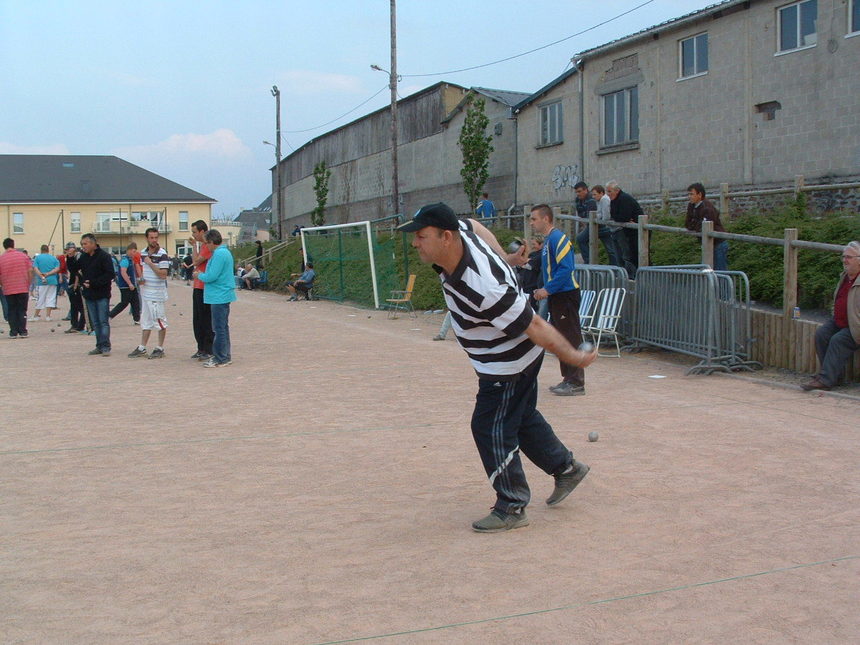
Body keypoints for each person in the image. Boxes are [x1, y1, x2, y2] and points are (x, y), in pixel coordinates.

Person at [399, 202, 596, 532]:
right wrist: (504, 256)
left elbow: (534, 325)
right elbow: (474, 224)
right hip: (509, 357)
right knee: (519, 417)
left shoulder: (482, 286)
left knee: (488, 425)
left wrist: (573, 357)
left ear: (445, 237)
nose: (415, 243)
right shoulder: (461, 234)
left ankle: (512, 505)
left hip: (508, 363)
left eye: (421, 236)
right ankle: (566, 468)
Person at [530, 204, 587, 396]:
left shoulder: (558, 238)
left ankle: (576, 382)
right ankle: (568, 379)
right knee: (562, 336)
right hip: (557, 295)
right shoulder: (547, 241)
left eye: (534, 219)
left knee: (570, 336)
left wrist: (548, 289)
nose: (532, 223)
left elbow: (566, 269)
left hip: (565, 295)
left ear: (546, 219)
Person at [802, 242, 860, 391]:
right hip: (840, 321)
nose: (844, 260)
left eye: (849, 257)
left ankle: (826, 380)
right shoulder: (845, 277)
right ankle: (833, 376)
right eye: (843, 257)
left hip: (856, 326)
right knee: (822, 334)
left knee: (837, 340)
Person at [195, 229, 236, 367]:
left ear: (212, 242)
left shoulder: (219, 254)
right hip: (221, 294)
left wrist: (199, 275)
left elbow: (211, 276)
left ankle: (221, 357)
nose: (206, 246)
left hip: (219, 295)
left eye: (207, 243)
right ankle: (225, 355)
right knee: (222, 327)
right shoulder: (224, 252)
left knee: (218, 328)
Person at [128, 227, 170, 359]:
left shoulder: (162, 254)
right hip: (145, 292)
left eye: (156, 237)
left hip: (157, 294)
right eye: (151, 237)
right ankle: (142, 347)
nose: (154, 240)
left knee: (160, 320)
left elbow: (163, 275)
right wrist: (140, 280)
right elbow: (142, 271)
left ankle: (160, 347)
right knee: (145, 321)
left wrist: (151, 263)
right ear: (147, 238)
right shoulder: (142, 253)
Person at [77, 233, 114, 356]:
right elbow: (76, 271)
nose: (83, 246)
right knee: (95, 322)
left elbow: (110, 274)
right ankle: (99, 345)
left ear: (93, 243)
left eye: (85, 244)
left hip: (102, 293)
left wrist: (94, 283)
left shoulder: (104, 256)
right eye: (82, 244)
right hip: (89, 294)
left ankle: (105, 346)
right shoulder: (83, 257)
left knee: (103, 321)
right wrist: (71, 258)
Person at [685, 182, 728, 271]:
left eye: (692, 194)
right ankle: (711, 285)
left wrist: (695, 225)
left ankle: (723, 285)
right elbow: (688, 224)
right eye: (688, 194)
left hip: (717, 243)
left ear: (699, 194)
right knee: (707, 270)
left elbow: (703, 226)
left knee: (720, 271)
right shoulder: (691, 206)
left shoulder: (707, 208)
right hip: (706, 242)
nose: (689, 197)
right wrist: (695, 225)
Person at [574, 182, 619, 266]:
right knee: (581, 239)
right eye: (576, 192)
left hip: (601, 226)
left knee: (610, 248)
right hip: (592, 224)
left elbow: (603, 215)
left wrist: (593, 220)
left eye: (579, 191)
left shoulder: (594, 199)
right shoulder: (579, 200)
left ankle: (614, 266)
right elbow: (582, 214)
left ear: (585, 190)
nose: (578, 194)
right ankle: (590, 262)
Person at [606, 180, 644, 278]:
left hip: (636, 230)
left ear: (617, 191)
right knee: (625, 255)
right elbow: (614, 215)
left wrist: (621, 218)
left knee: (632, 255)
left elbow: (623, 217)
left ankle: (635, 276)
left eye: (610, 191)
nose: (608, 194)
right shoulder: (614, 200)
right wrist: (620, 218)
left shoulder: (624, 199)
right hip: (628, 230)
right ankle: (628, 276)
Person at [189, 220, 214, 361]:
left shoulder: (207, 247)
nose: (193, 235)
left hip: (204, 287)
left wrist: (196, 248)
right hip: (197, 286)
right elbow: (195, 261)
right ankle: (201, 347)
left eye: (194, 232)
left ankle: (208, 348)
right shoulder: (202, 246)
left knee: (205, 319)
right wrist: (194, 246)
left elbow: (197, 262)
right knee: (197, 319)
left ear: (202, 232)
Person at [0, 238, 34, 338]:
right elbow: (30, 271)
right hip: (22, 287)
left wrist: (3, 285)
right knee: (22, 309)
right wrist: (29, 283)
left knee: (11, 309)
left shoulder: (1, 259)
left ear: (4, 246)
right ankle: (23, 331)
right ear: (13, 245)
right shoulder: (24, 256)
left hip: (9, 288)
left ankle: (13, 331)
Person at [31, 244, 61, 321]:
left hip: (41, 281)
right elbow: (57, 269)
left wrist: (41, 275)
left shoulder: (38, 258)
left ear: (41, 250)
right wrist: (48, 273)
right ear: (48, 250)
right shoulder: (53, 258)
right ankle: (48, 316)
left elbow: (35, 268)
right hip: (52, 280)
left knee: (40, 297)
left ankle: (36, 316)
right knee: (50, 297)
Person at [63, 242, 86, 334]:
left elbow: (78, 272)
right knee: (74, 307)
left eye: (70, 249)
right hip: (72, 284)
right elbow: (71, 270)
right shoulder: (69, 258)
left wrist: (76, 285)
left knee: (81, 307)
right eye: (67, 250)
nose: (68, 251)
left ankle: (82, 325)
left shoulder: (80, 257)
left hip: (78, 285)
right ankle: (74, 325)